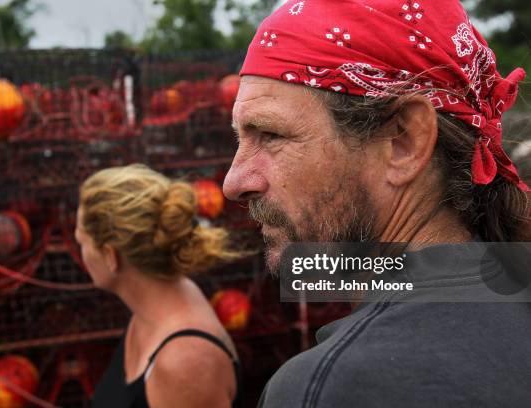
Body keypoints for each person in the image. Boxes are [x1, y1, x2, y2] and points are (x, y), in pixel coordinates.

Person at [222, 0, 531, 406]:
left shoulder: (339, 385)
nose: (234, 182)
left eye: (271, 135)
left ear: (404, 141)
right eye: (241, 139)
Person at [75, 164, 242, 408]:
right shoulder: (157, 304)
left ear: (111, 256)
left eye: (82, 242)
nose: (81, 253)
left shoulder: (185, 364)